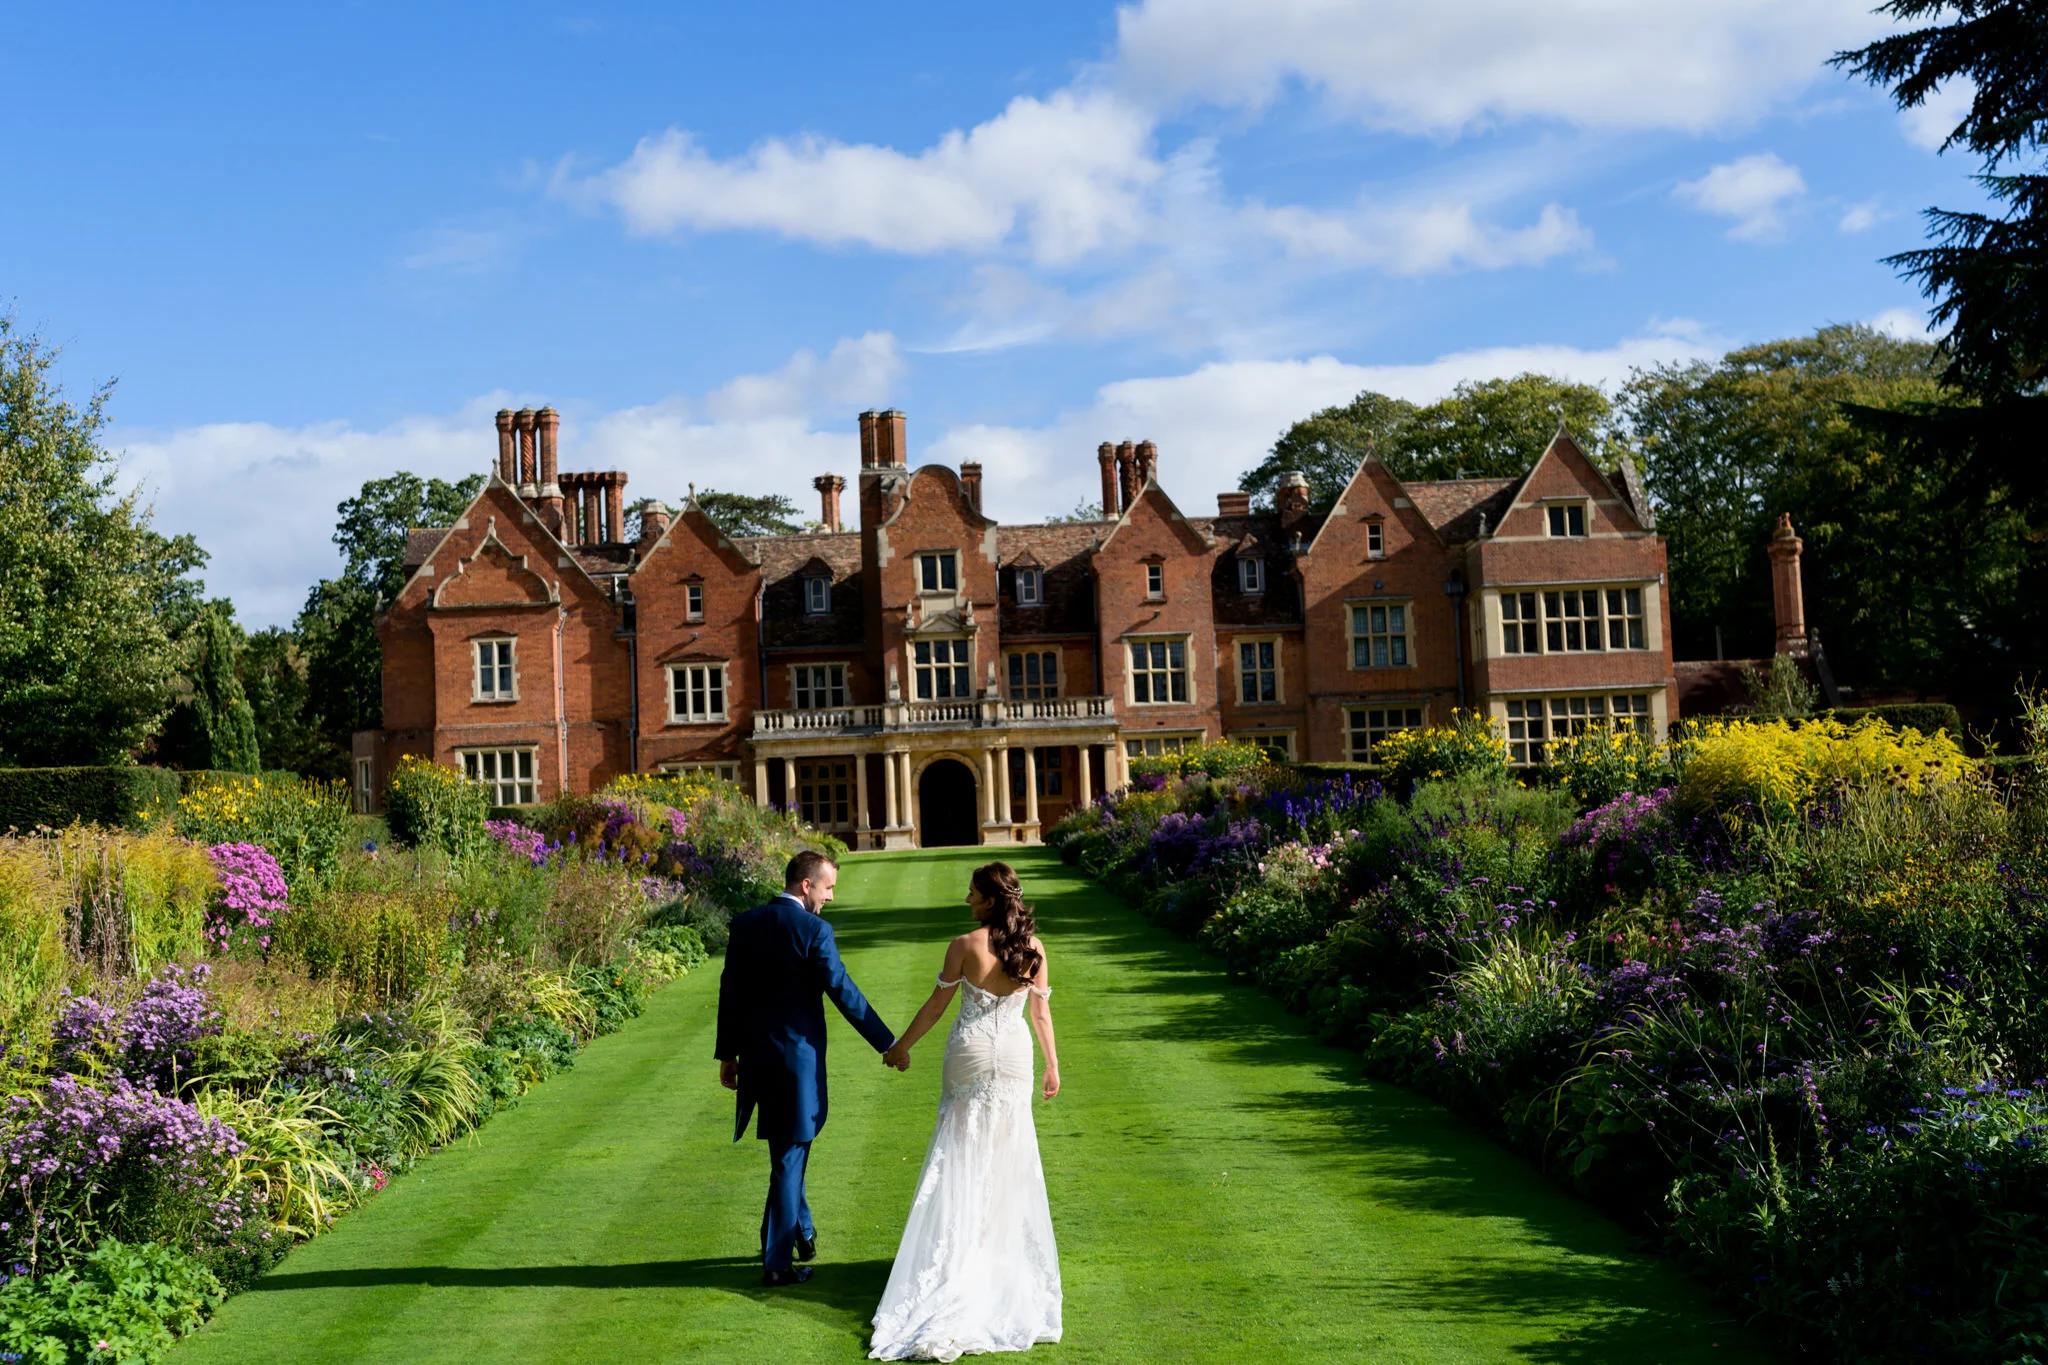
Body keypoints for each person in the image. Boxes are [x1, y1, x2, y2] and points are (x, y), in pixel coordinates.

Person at [869, 861, 1063, 1361]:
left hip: (970, 1052)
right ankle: (995, 1256)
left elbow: (936, 1006)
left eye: (972, 892)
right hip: (1015, 1055)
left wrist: (900, 1047)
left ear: (989, 899)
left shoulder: (964, 945)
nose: (966, 898)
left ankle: (959, 1255)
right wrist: (1052, 1067)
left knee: (958, 1151)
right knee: (1007, 1153)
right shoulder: (1033, 949)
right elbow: (1040, 1012)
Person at [715, 849, 905, 1287]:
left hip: (757, 1059)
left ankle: (802, 1231)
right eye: (829, 887)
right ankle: (777, 1265)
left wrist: (729, 1054)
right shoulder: (814, 930)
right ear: (807, 885)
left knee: (787, 1151)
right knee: (789, 1155)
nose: (831, 897)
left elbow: (731, 994)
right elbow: (843, 991)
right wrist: (888, 1043)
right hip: (796, 1065)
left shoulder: (745, 925)